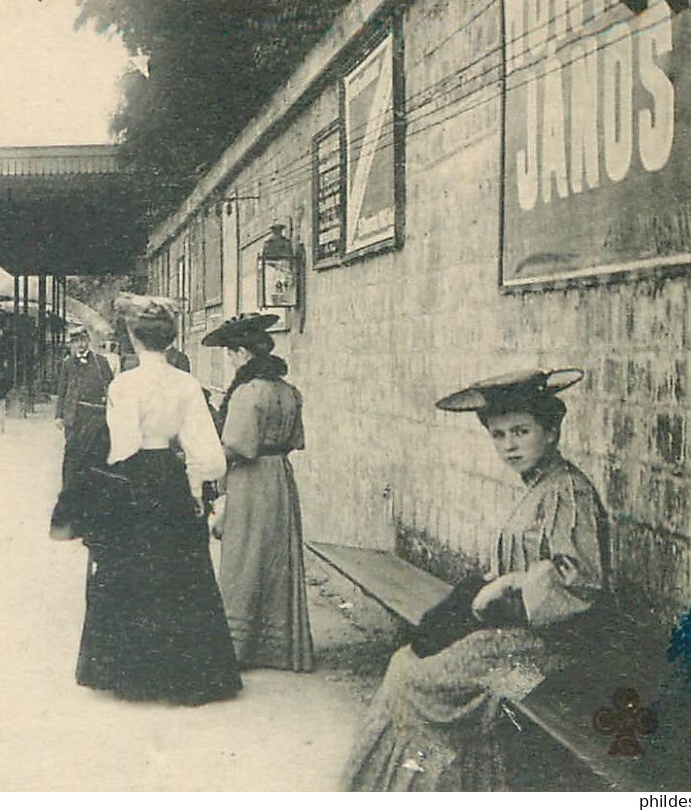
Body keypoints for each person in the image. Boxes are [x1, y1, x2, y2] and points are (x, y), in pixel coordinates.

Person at [342, 368, 610, 791]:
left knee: (422, 682)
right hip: (513, 635)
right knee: (407, 663)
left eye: (521, 431)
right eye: (499, 435)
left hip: (548, 654)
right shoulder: (534, 486)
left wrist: (508, 587)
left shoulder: (567, 490)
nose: (510, 445)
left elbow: (580, 583)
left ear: (552, 431)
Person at [50, 294, 242, 705]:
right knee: (181, 574)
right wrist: (192, 487)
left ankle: (133, 674)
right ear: (171, 340)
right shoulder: (187, 384)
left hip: (134, 479)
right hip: (171, 479)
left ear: (135, 339)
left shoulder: (125, 384)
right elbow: (209, 458)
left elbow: (122, 446)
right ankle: (186, 675)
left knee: (130, 569)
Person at [202, 312, 314, 672]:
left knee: (245, 556)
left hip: (250, 479)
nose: (231, 362)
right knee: (277, 557)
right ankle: (282, 648)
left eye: (232, 354)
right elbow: (296, 440)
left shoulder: (248, 393)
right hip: (280, 477)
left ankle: (239, 647)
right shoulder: (287, 391)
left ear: (243, 354)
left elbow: (235, 445)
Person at [53, 325, 114, 488]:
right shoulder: (67, 363)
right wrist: (59, 415)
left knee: (94, 454)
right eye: (75, 342)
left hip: (95, 415)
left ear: (88, 341)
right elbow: (62, 390)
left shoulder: (101, 362)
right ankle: (69, 488)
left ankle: (91, 490)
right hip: (73, 416)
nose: (80, 345)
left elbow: (112, 389)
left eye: (82, 340)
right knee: (72, 453)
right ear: (71, 345)